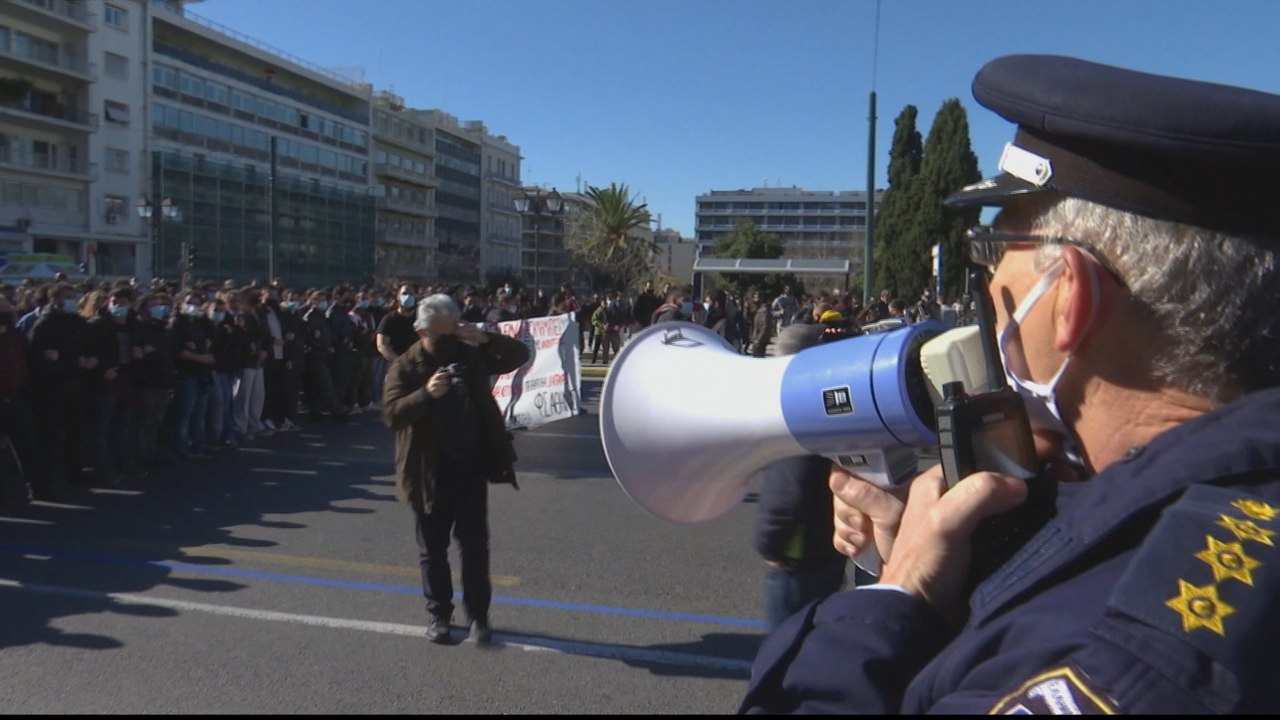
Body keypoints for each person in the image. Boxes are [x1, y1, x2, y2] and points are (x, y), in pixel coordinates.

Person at [741, 55, 1280, 714]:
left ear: (1072, 298)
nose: (991, 290)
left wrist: (897, 598)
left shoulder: (1117, 669)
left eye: (997, 255)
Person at [382, 294, 530, 645]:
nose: (448, 342)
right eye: (440, 336)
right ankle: (439, 615)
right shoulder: (406, 366)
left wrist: (482, 338)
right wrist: (426, 394)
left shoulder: (469, 355)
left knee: (475, 547)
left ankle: (478, 615)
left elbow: (520, 356)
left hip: (470, 467)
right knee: (432, 550)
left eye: (453, 333)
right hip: (427, 471)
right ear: (421, 333)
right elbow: (391, 415)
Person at [753, 323, 852, 631]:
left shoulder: (799, 413)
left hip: (798, 560)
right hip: (829, 551)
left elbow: (788, 491)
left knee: (784, 654)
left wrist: (768, 544)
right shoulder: (836, 401)